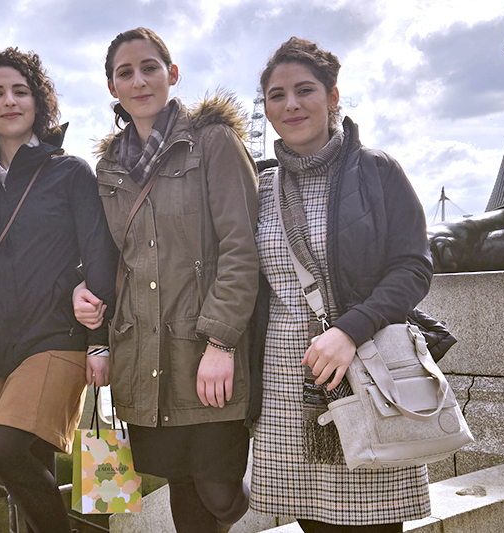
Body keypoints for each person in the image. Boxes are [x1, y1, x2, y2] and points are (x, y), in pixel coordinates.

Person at [72, 27, 259, 533]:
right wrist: (95, 339)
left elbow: (242, 248)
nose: (139, 80)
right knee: (181, 484)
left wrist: (220, 341)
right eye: (124, 72)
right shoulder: (108, 167)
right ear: (112, 87)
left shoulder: (214, 143)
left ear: (172, 74)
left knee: (219, 490)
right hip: (143, 354)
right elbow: (107, 262)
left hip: (203, 351)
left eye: (149, 67)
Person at [248, 37, 433, 532]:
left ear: (333, 97)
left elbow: (413, 267)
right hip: (288, 383)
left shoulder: (376, 170)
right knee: (313, 521)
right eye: (276, 95)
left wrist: (350, 329)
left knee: (377, 519)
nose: (291, 104)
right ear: (265, 108)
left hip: (366, 370)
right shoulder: (259, 186)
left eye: (305, 90)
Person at [0, 48, 117, 533]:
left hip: (57, 336)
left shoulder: (68, 172)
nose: (9, 101)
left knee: (2, 445)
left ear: (38, 103)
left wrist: (100, 339)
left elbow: (99, 254)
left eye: (20, 91)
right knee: (32, 469)